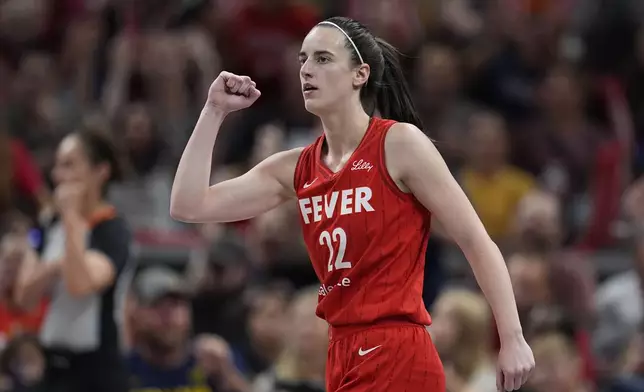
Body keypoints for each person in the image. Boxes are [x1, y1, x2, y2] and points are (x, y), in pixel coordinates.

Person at [171, 16, 535, 392]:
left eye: (323, 59)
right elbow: (189, 205)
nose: (307, 70)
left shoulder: (399, 144)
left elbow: (476, 241)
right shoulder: (295, 167)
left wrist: (512, 338)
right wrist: (213, 111)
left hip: (395, 347)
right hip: (340, 349)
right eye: (303, 60)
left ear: (359, 74)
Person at [12, 127, 134, 392]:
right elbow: (23, 297)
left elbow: (79, 284)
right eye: (57, 166)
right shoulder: (48, 225)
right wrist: (55, 266)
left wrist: (70, 218)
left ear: (100, 172)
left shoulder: (112, 230)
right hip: (52, 365)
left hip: (97, 370)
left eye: (68, 165)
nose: (57, 175)